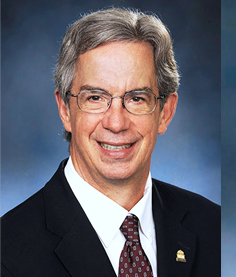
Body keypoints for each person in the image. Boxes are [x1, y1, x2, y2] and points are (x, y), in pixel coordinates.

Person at [0, 8, 221, 277]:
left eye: (137, 98)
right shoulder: (8, 253)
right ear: (65, 110)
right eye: (95, 98)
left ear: (166, 112)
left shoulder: (212, 227)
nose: (116, 123)